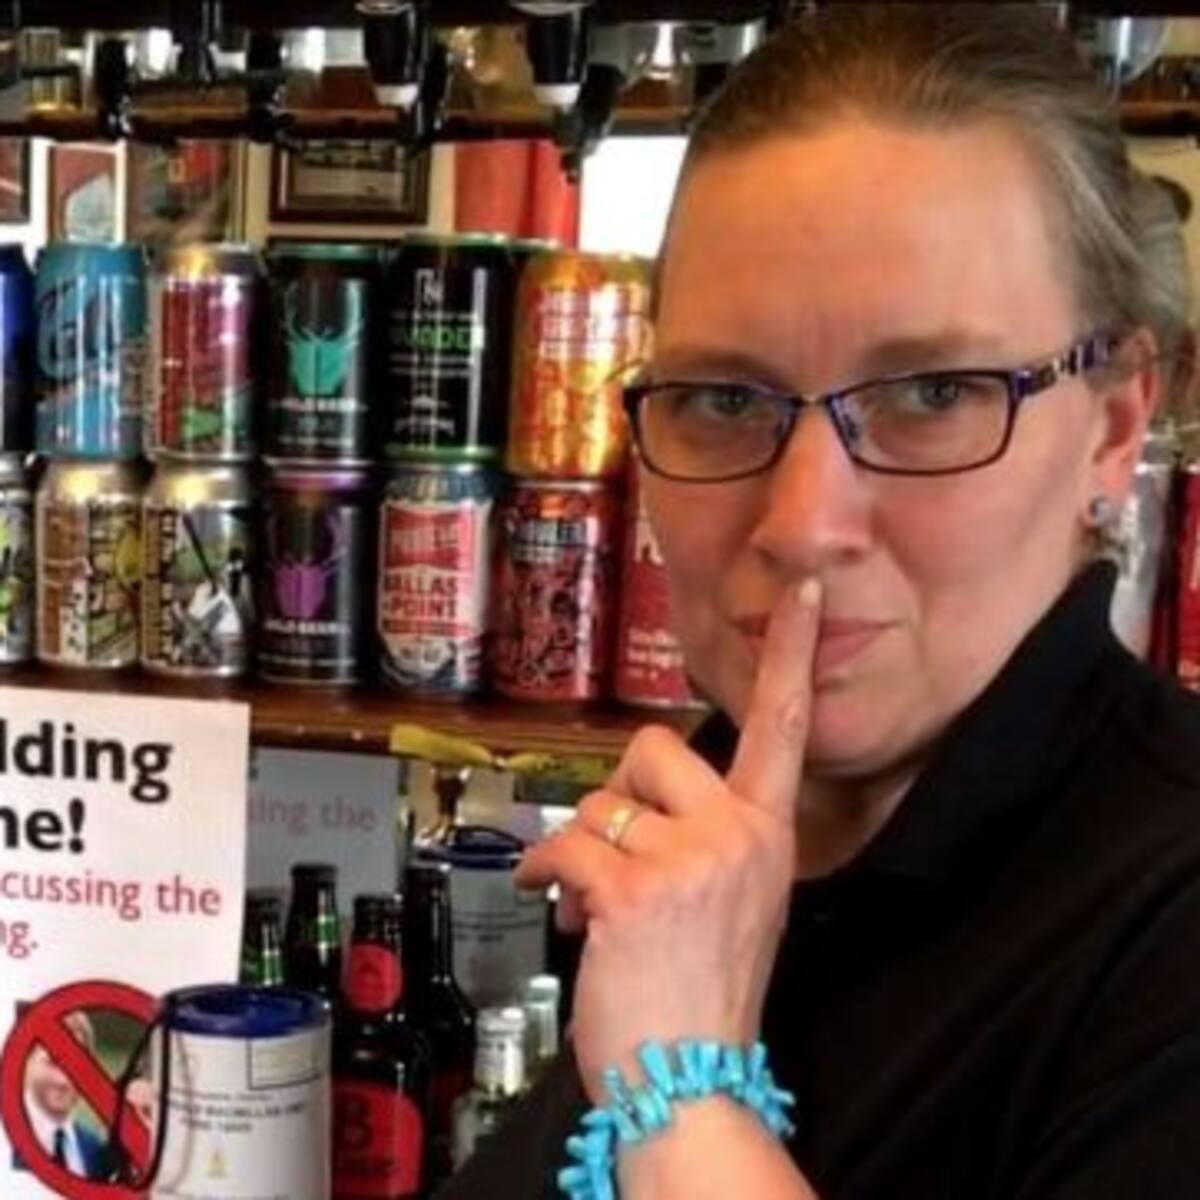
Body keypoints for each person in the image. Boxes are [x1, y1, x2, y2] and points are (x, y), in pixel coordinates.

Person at [441, 5, 1200, 1198]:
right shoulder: (704, 839)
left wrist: (685, 1093)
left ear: (1112, 428)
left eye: (934, 393)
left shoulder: (1161, 920)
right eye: (724, 401)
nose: (801, 522)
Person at [18, 1010, 111, 1181]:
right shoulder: (7, 1140)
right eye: (53, 1062)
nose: (64, 1081)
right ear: (26, 1061)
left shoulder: (96, 1152)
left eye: (77, 1065)